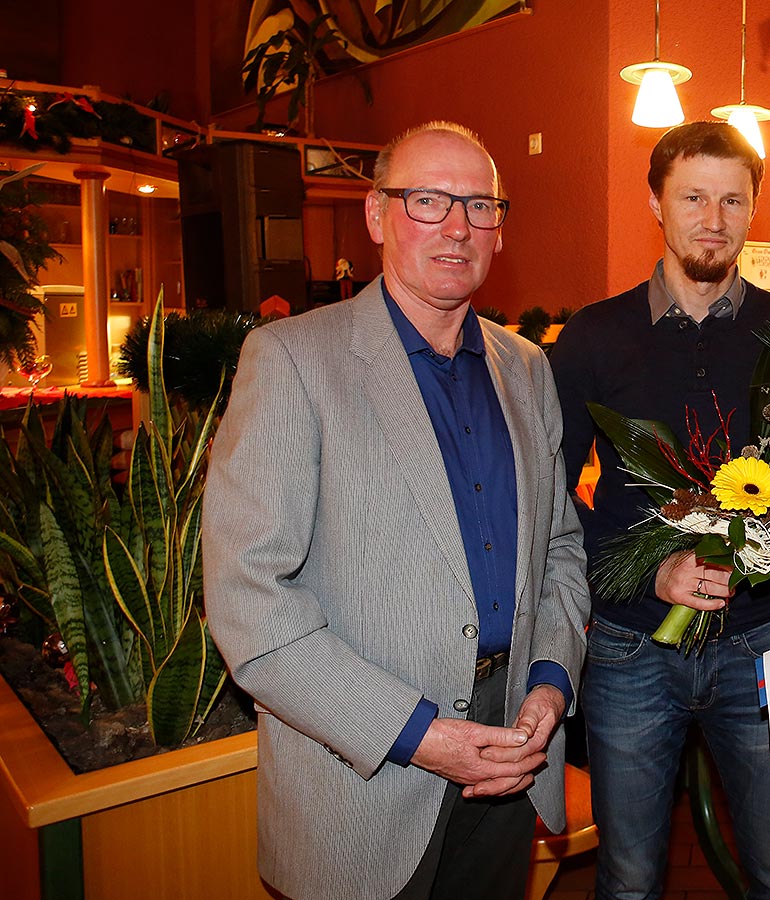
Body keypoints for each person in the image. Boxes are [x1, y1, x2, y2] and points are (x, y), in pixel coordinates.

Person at [203, 121, 589, 900]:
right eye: (428, 200)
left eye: (480, 206)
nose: (456, 226)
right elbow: (248, 603)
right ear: (377, 217)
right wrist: (422, 736)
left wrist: (549, 684)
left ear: (500, 230)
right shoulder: (291, 361)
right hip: (364, 773)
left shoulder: (526, 367)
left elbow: (561, 552)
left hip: (512, 749)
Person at [549, 121, 770, 900]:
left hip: (760, 641)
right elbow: (553, 500)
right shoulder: (594, 336)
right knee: (628, 881)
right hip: (633, 655)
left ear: (754, 207)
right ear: (655, 203)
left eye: (733, 199)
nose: (713, 217)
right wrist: (648, 571)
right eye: (693, 196)